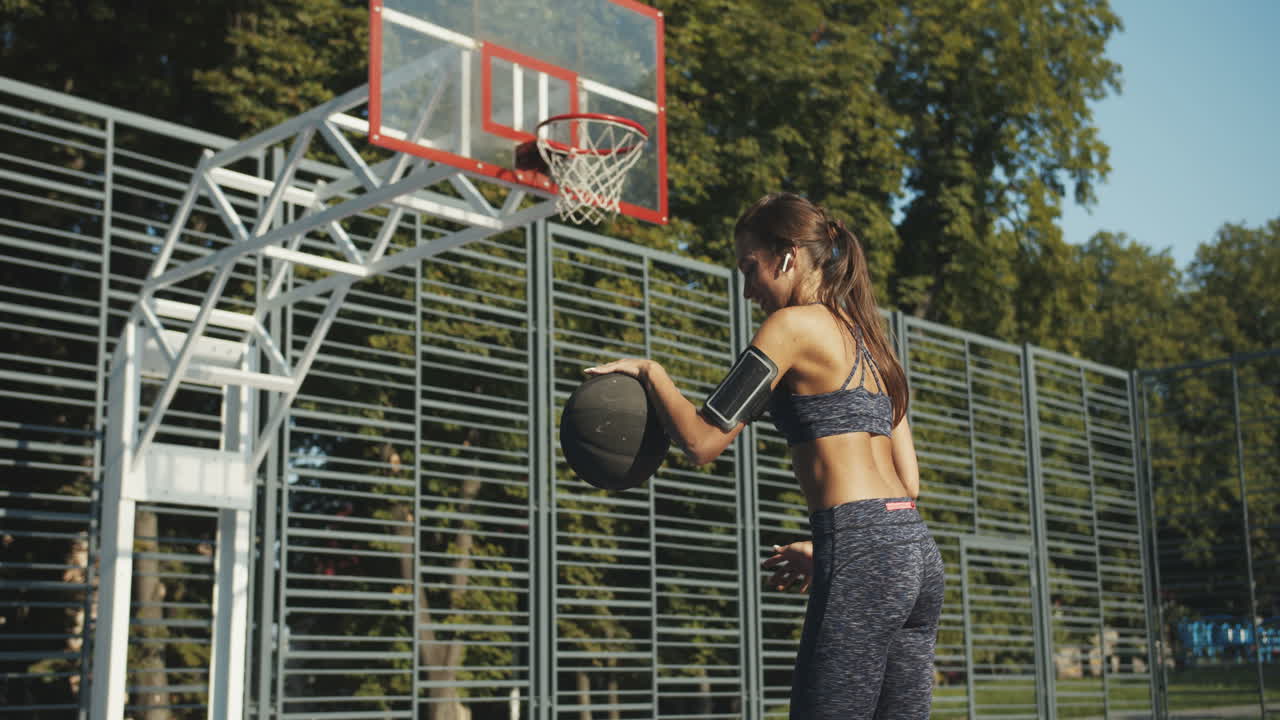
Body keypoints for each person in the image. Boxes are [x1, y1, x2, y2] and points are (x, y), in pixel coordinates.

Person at [585, 192, 945, 719]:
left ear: (788, 256)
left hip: (864, 549)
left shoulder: (791, 327)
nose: (748, 287)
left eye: (750, 268)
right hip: (915, 555)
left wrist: (651, 372)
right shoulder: (872, 338)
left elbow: (703, 441)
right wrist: (835, 552)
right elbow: (907, 484)